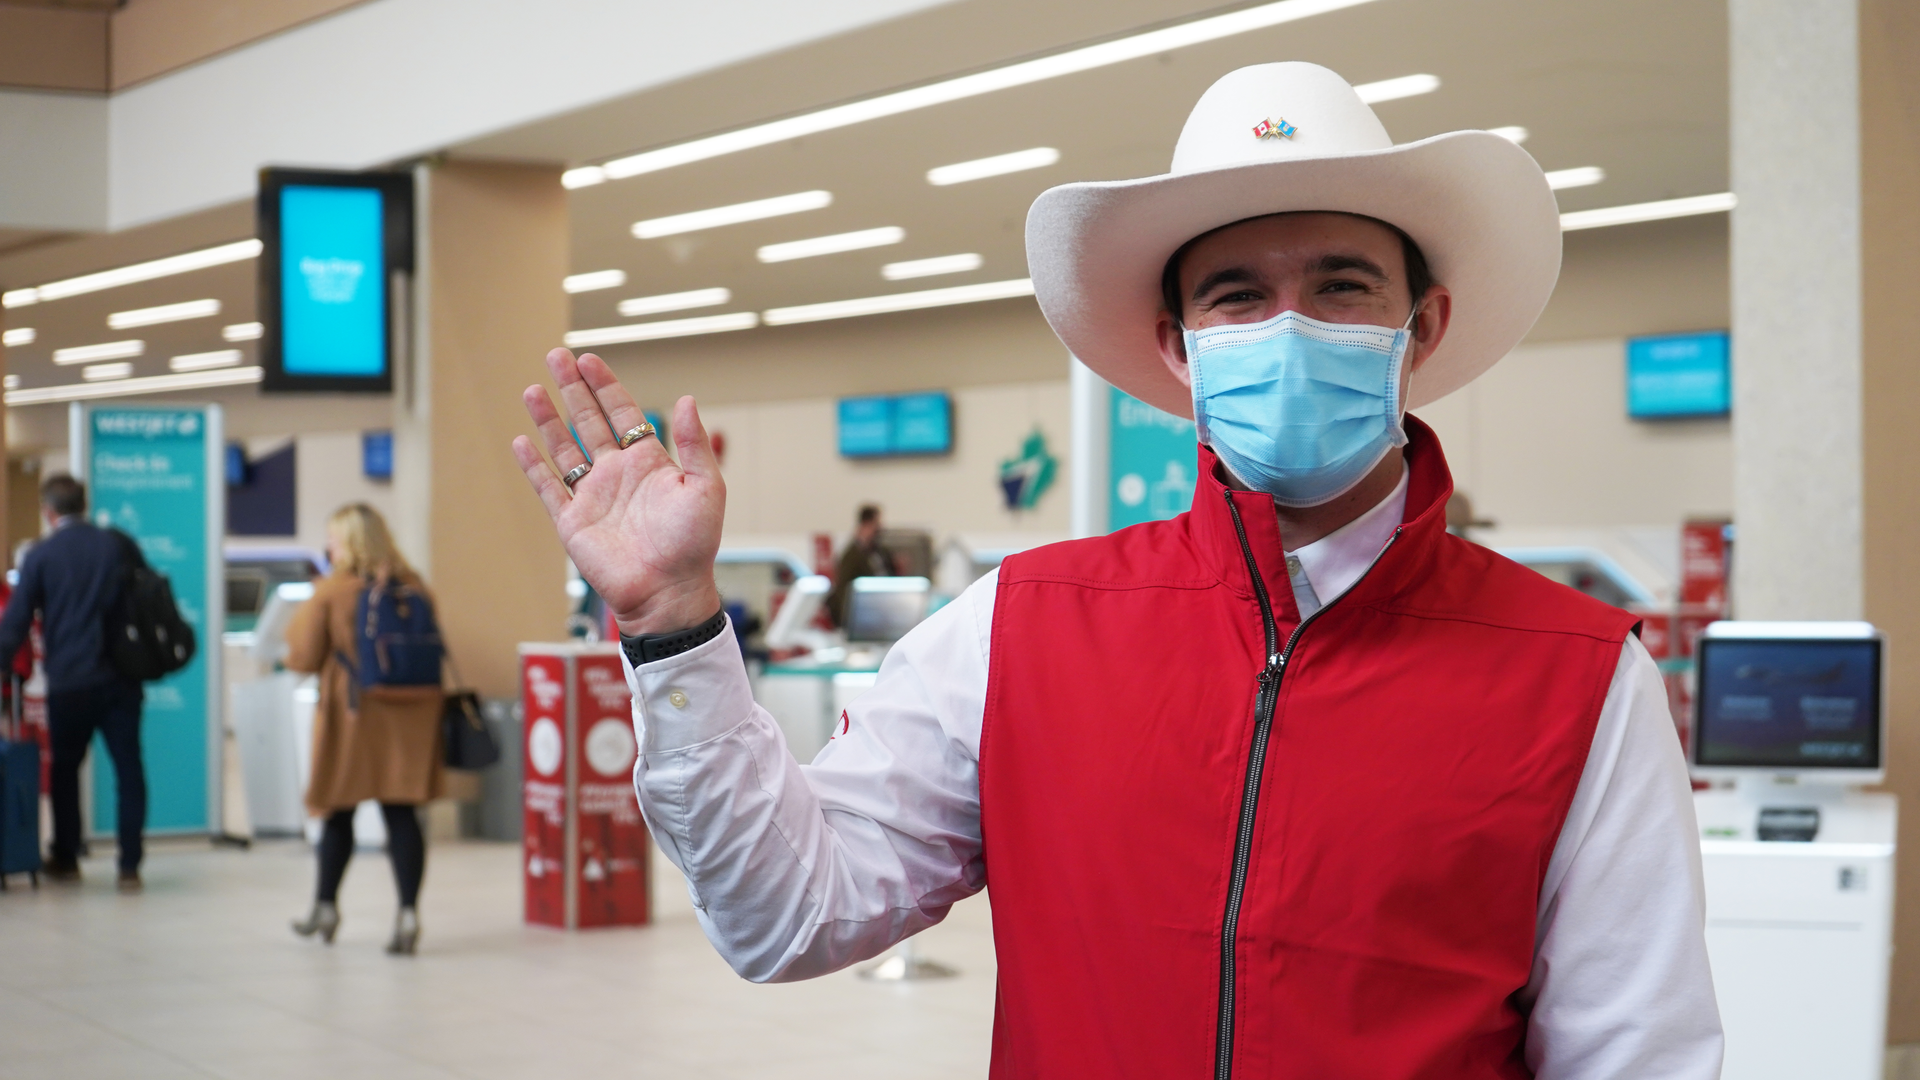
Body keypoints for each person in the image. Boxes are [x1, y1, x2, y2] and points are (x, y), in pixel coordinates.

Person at [511, 64, 1721, 1078]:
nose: (1287, 327)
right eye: (1237, 298)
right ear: (1177, 351)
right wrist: (673, 621)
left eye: (1341, 286)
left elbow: (1639, 1056)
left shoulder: (1577, 680)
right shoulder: (1019, 629)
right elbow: (785, 914)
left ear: (1424, 328)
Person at [285, 504, 443, 955]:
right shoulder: (414, 586)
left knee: (338, 811)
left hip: (352, 716)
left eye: (332, 539)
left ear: (346, 543)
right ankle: (408, 914)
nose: (328, 546)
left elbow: (301, 657)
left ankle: (325, 907)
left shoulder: (333, 591)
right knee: (402, 814)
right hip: (410, 716)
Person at [0, 475, 145, 891]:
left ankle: (66, 856)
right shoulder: (118, 545)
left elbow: (17, 620)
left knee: (64, 769)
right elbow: (145, 595)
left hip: (70, 680)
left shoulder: (42, 555)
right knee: (128, 769)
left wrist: (3, 662)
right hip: (121, 677)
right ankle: (129, 864)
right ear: (85, 504)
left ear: (48, 512)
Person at [824, 504, 892, 627]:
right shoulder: (852, 556)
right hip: (863, 614)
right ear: (867, 524)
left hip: (880, 610)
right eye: (876, 523)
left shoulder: (878, 552)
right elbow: (843, 588)